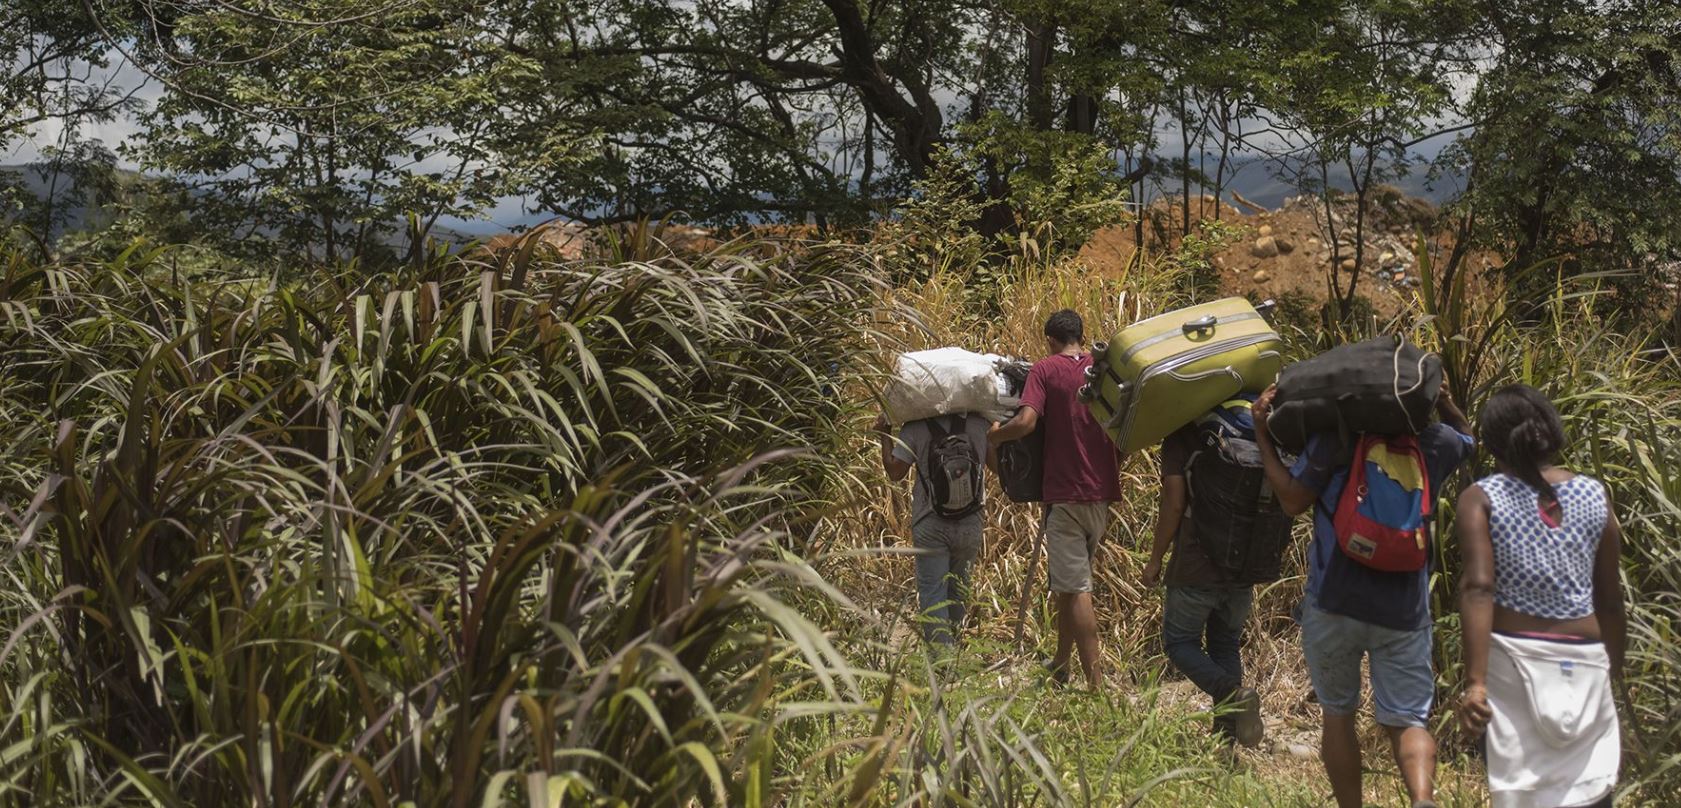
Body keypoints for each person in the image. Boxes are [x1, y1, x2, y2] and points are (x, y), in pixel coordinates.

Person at [1251, 382, 1473, 808]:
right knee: (1409, 719)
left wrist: (1262, 432)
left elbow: (1292, 500)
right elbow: (1467, 437)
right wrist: (1446, 400)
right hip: (1404, 610)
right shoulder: (1433, 445)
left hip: (1334, 602)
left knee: (1338, 715)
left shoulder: (1333, 441)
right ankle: (1422, 798)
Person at [1455, 385, 1625, 808]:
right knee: (1590, 788)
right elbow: (1609, 599)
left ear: (1493, 442)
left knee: (1524, 790)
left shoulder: (1482, 497)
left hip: (1514, 663)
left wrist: (1475, 682)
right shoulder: (1593, 494)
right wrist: (1612, 671)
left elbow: (1479, 588)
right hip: (1587, 659)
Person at [989, 309, 1121, 688]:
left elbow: (1027, 422)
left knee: (1077, 588)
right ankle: (1061, 664)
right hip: (1101, 493)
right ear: (1081, 335)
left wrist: (996, 436)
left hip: (1065, 493)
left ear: (1050, 340)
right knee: (1068, 582)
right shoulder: (1102, 371)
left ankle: (1096, 683)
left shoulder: (1045, 369)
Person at [1142, 420, 1266, 749]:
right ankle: (1224, 744)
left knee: (1180, 643)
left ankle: (1233, 695)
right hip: (1244, 564)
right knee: (1225, 645)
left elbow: (1175, 502)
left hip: (1197, 564)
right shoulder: (1249, 429)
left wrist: (1155, 558)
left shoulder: (1183, 434)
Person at [877, 411, 997, 647]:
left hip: (930, 524)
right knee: (959, 589)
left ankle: (942, 662)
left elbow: (894, 471)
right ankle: (956, 656)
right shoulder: (979, 424)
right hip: (970, 524)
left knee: (933, 592)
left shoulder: (915, 426)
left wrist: (884, 435)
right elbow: (996, 466)